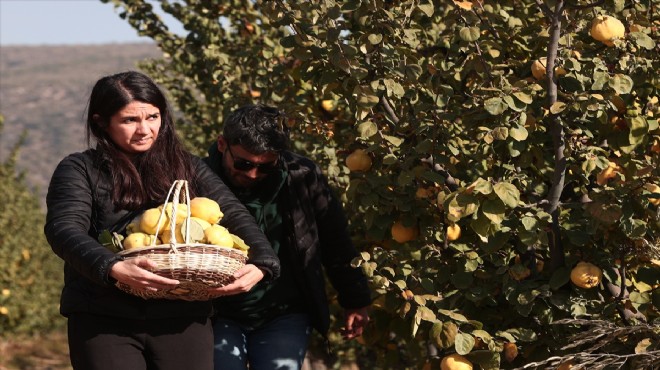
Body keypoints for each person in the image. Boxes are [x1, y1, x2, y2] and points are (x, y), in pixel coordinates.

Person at [44, 71, 280, 370]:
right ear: (101, 122)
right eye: (130, 120)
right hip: (103, 318)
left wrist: (263, 263)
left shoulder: (188, 166)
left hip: (182, 319)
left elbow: (233, 214)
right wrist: (113, 267)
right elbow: (63, 228)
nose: (144, 129)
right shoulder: (80, 169)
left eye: (152, 117)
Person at [203, 104, 371, 370]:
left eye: (265, 166)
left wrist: (356, 300)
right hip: (215, 312)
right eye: (243, 163)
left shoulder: (302, 177)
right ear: (222, 144)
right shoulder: (198, 180)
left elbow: (334, 239)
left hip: (284, 310)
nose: (252, 174)